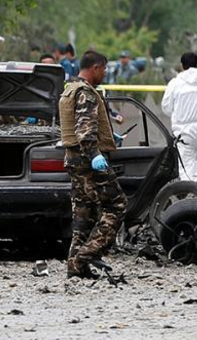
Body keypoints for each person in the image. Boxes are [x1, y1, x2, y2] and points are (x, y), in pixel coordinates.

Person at [58, 50, 127, 278]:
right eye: (104, 69)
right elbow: (85, 129)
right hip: (88, 160)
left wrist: (109, 138)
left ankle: (75, 267)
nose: (105, 73)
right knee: (116, 205)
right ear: (95, 67)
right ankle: (87, 254)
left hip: (74, 159)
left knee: (83, 213)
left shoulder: (69, 89)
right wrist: (95, 153)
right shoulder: (85, 93)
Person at [161, 52, 197, 182]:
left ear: (182, 65)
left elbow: (166, 107)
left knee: (187, 167)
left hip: (185, 132)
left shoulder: (175, 83)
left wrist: (180, 114)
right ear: (196, 64)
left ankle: (191, 197)